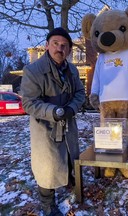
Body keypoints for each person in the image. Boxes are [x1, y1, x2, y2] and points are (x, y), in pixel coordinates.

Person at [20, 27, 86, 215]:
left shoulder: (72, 69)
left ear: (69, 50)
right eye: (55, 44)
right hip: (45, 127)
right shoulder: (33, 70)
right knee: (47, 166)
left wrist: (71, 108)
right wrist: (54, 111)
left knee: (69, 155)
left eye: (64, 45)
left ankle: (69, 180)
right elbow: (29, 103)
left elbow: (80, 93)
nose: (60, 48)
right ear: (47, 46)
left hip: (68, 123)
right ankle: (48, 204)